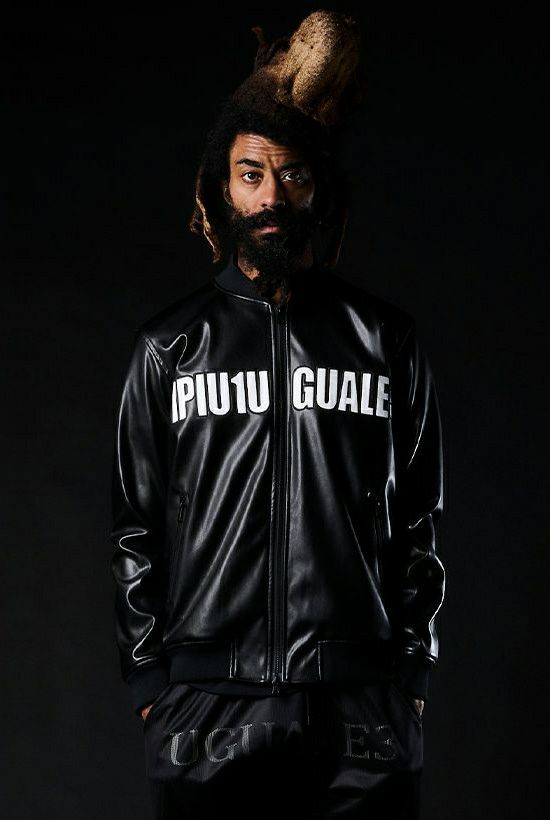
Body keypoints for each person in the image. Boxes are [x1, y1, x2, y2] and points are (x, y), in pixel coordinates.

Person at [110, 11, 445, 819]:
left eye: (292, 175)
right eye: (251, 174)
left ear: (317, 186)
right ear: (220, 189)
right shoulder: (169, 348)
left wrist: (411, 677)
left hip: (359, 703)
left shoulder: (384, 341)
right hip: (207, 706)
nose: (271, 196)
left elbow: (419, 519)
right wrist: (153, 682)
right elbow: (134, 526)